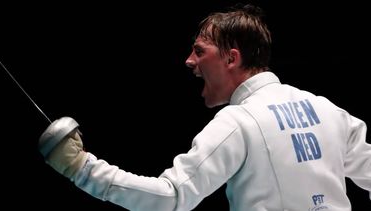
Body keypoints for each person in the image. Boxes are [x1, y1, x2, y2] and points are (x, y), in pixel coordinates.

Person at [38, 3, 371, 211]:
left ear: (231, 57)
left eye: (200, 51)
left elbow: (170, 198)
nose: (189, 61)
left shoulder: (239, 122)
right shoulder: (328, 111)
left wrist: (81, 168)